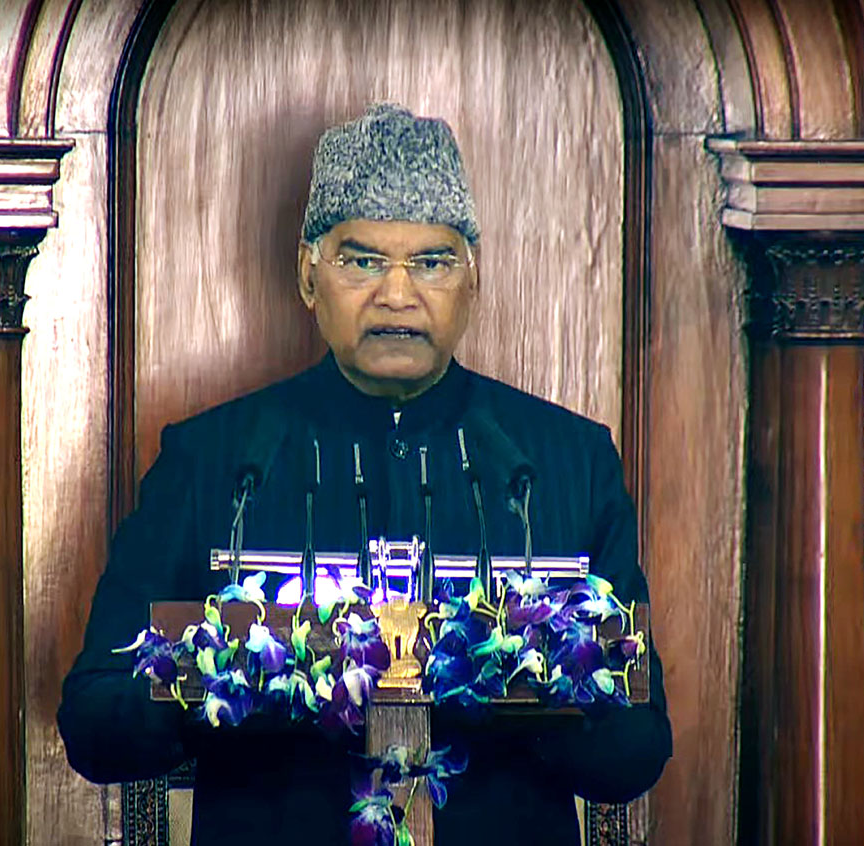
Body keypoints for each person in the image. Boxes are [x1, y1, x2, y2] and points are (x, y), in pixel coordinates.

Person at [58, 103, 671, 845]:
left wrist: (508, 681)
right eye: (362, 260)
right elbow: (92, 724)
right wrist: (244, 676)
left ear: (473, 279)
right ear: (309, 275)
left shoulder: (571, 460)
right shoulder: (212, 462)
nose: (397, 295)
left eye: (432, 262)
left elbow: (638, 749)